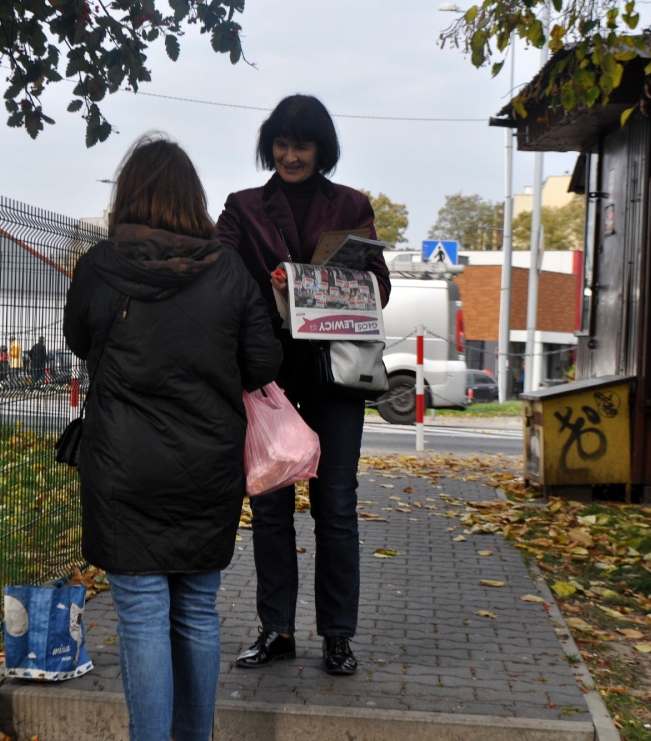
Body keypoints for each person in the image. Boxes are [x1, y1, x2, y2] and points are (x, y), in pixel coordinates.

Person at [63, 133, 281, 741]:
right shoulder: (229, 270)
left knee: (141, 618)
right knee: (197, 613)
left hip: (122, 467)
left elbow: (80, 340)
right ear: (193, 198)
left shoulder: (100, 265)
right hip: (208, 467)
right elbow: (263, 363)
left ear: (128, 195)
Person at [216, 94, 391, 676]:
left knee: (336, 506)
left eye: (303, 145)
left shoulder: (352, 205)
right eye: (282, 144)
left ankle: (338, 635)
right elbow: (219, 274)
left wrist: (320, 286)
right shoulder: (242, 208)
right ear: (270, 146)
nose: (290, 156)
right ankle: (277, 630)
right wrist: (266, 291)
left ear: (322, 149)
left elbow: (379, 288)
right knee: (270, 506)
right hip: (268, 379)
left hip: (335, 377)